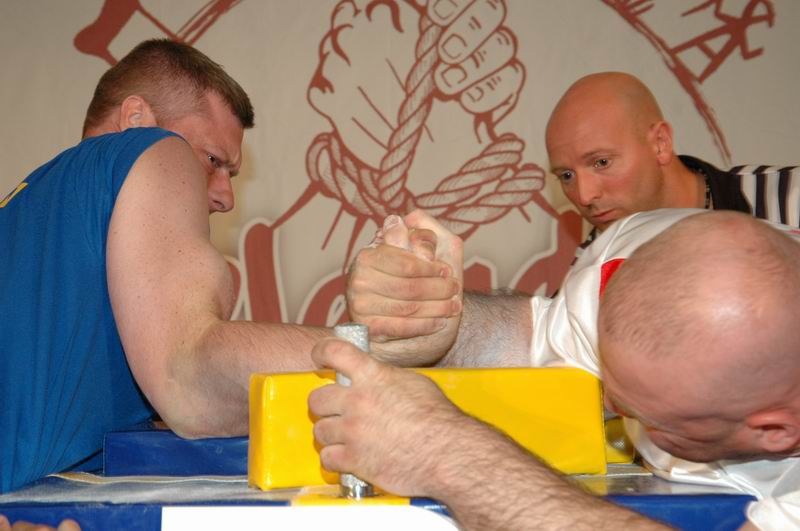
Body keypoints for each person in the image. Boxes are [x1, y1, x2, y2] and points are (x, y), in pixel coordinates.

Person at [313, 209, 800, 529]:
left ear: (778, 430)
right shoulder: (644, 261)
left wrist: (444, 452)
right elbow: (534, 339)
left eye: (652, 420)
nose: (605, 405)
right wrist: (435, 321)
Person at [0, 39, 325, 495]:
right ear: (136, 122)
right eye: (212, 161)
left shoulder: (33, 214)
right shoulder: (151, 148)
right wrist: (379, 359)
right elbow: (188, 382)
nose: (225, 195)